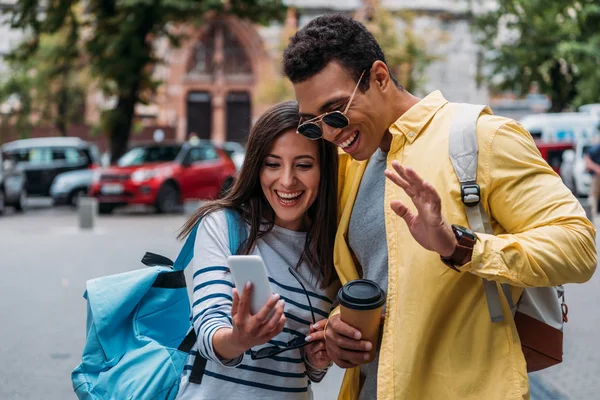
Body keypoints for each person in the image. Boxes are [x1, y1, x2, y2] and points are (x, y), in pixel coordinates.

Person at [282, 14, 597, 400]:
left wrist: (459, 246)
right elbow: (373, 280)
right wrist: (338, 328)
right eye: (313, 125)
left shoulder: (480, 137)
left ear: (380, 77)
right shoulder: (353, 164)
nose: (330, 133)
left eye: (334, 112)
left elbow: (579, 247)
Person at [175, 100, 340, 399]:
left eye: (303, 165)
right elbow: (208, 327)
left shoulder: (332, 248)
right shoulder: (224, 224)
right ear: (256, 166)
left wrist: (318, 359)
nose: (287, 180)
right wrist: (238, 338)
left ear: (324, 170)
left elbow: (306, 367)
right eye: (273, 164)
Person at [585, 143, 600, 220]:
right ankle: (591, 217)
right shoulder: (596, 149)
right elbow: (587, 157)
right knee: (593, 197)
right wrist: (596, 168)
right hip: (597, 177)